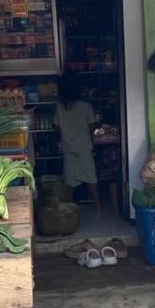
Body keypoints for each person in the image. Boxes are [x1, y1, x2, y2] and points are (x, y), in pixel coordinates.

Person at [57, 74, 102, 212]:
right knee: (91, 177)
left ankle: (69, 209)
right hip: (84, 147)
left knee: (69, 181)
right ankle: (98, 206)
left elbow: (57, 128)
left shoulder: (59, 107)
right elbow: (92, 128)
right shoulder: (86, 106)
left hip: (68, 148)